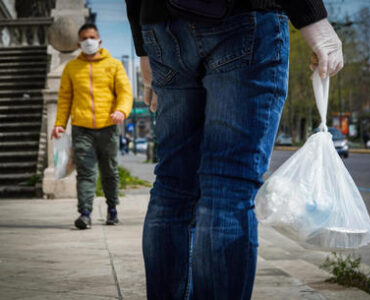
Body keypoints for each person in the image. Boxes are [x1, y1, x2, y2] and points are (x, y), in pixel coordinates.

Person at [126, 1, 343, 299]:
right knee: (227, 187)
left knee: (172, 187)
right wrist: (311, 16)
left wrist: (142, 44)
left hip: (162, 23)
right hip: (243, 13)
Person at [51, 24, 133, 230]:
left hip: (109, 127)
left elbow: (125, 92)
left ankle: (112, 208)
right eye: (85, 38)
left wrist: (121, 111)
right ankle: (85, 213)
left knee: (110, 171)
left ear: (99, 41)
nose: (89, 41)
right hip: (82, 128)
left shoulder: (113, 65)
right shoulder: (71, 68)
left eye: (92, 37)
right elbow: (64, 99)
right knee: (86, 173)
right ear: (79, 44)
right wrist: (60, 124)